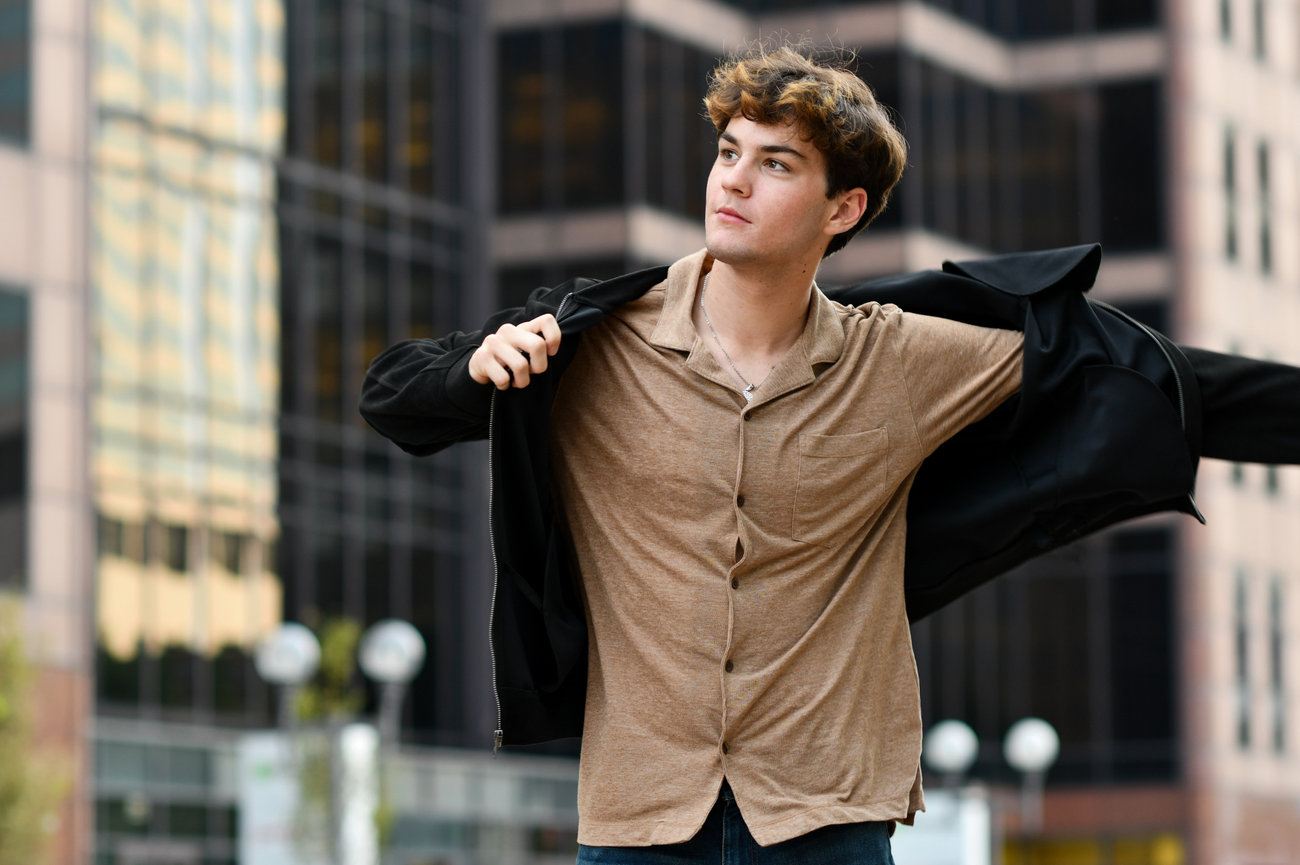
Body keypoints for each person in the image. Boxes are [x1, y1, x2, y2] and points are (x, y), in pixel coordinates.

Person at [360, 44, 1300, 865]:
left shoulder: (899, 359)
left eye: (774, 164)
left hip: (830, 824)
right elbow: (391, 397)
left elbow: (1149, 380)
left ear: (841, 208)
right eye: (728, 153)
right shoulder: (590, 342)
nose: (732, 180)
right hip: (636, 822)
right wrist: (470, 372)